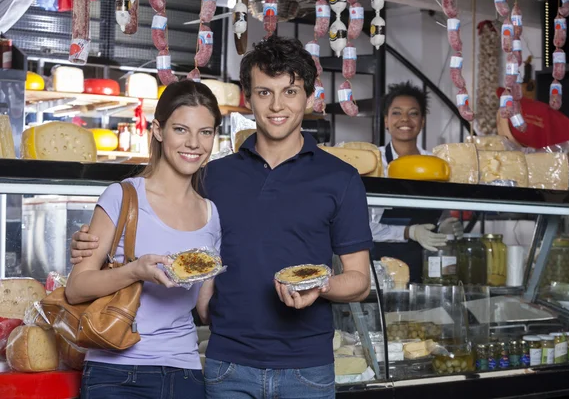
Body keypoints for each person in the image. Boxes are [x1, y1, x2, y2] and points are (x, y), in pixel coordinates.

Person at [71, 36, 373, 399]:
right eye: (264, 92)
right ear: (248, 98)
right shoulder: (212, 176)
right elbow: (183, 240)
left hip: (307, 367)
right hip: (227, 365)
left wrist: (319, 286)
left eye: (290, 91)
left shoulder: (340, 178)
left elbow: (359, 281)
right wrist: (92, 247)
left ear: (309, 97)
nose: (277, 105)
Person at [65, 80, 222, 399]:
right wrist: (135, 271)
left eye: (205, 132)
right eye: (181, 129)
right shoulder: (122, 196)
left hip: (185, 373)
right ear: (158, 130)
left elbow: (205, 307)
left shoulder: (210, 213)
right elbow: (76, 287)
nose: (193, 143)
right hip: (116, 373)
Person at [370, 82, 463, 282]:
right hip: (382, 266)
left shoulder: (438, 163)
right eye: (396, 113)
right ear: (386, 120)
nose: (405, 119)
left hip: (427, 264)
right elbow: (360, 227)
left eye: (413, 113)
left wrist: (445, 226)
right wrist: (408, 232)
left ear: (423, 122)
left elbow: (442, 212)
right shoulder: (373, 161)